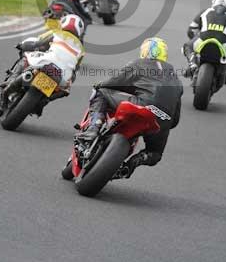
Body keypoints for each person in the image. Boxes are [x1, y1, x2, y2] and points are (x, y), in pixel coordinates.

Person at [77, 37, 182, 179]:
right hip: (164, 119)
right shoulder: (176, 78)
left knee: (101, 93)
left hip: (142, 104)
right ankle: (133, 163)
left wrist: (99, 85)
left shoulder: (139, 63)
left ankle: (93, 128)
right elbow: (175, 120)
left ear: (144, 52)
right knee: (155, 154)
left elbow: (114, 82)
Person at [0, 14, 85, 113]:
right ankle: (43, 101)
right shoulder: (81, 49)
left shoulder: (56, 33)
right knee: (64, 90)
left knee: (25, 57)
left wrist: (22, 45)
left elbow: (38, 42)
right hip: (61, 75)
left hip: (46, 63)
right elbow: (75, 68)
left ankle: (10, 82)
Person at [182, 0, 226, 77]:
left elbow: (191, 30)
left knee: (186, 47)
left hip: (202, 42)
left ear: (213, 3)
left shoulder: (205, 12)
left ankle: (192, 62)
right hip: (223, 45)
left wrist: (196, 38)